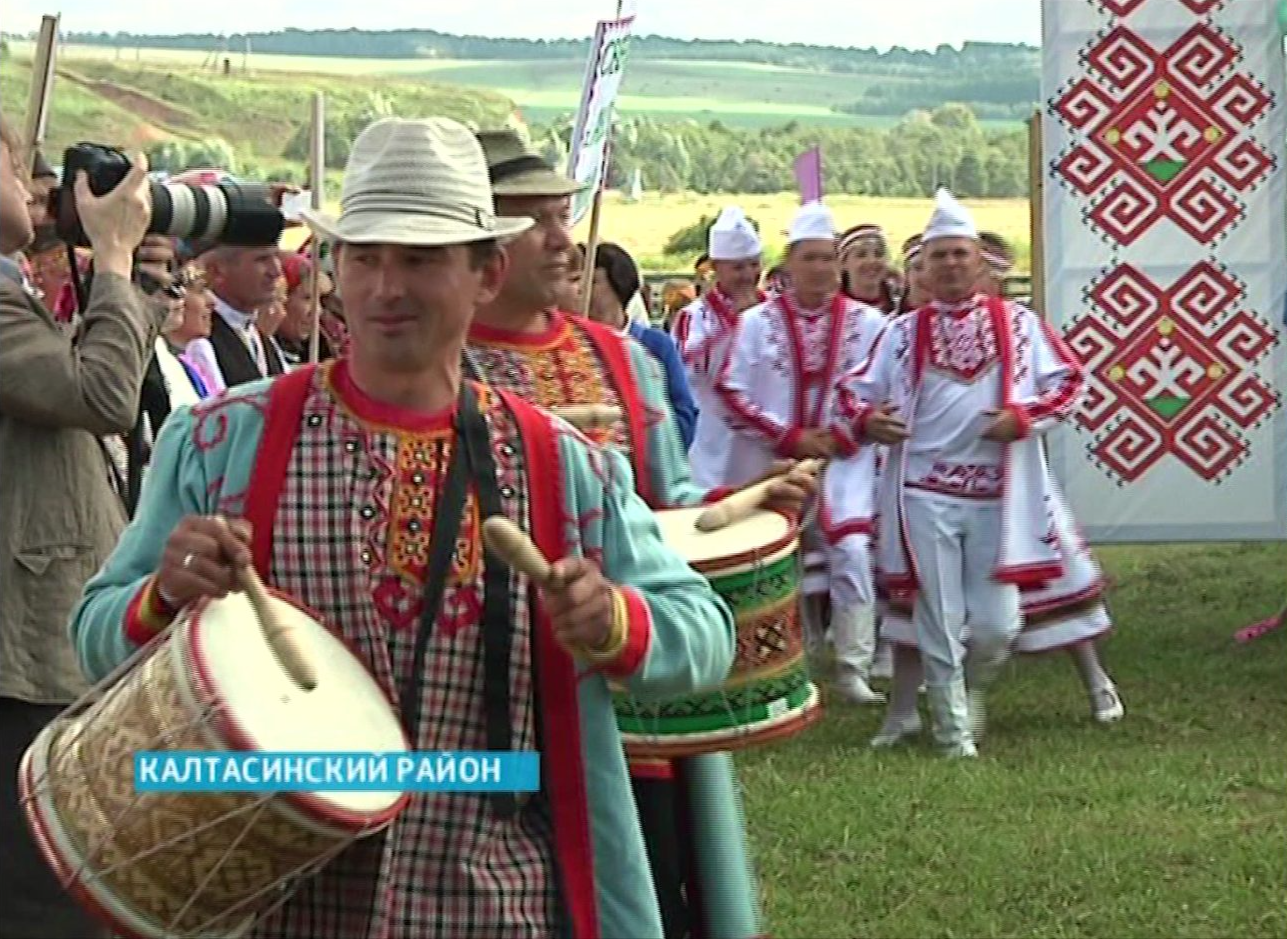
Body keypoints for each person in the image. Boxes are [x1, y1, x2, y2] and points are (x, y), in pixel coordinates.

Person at [68, 116, 738, 939]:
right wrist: (165, 592)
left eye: (419, 260)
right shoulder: (219, 442)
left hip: (498, 903)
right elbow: (95, 636)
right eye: (365, 256)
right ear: (334, 267)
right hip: (269, 899)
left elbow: (705, 632)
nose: (387, 286)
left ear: (486, 272)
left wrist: (614, 621)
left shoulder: (564, 466)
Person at [465, 128, 813, 939]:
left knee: (651, 892)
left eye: (564, 215)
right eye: (537, 221)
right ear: (476, 248)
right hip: (495, 697)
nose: (563, 241)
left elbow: (674, 508)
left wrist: (750, 508)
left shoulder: (622, 362)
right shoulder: (436, 366)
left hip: (638, 704)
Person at [838, 189, 1089, 757]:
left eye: (960, 254)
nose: (950, 264)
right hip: (924, 491)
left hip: (998, 494)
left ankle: (966, 692)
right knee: (939, 613)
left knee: (1000, 624)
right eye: (939, 255)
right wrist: (870, 420)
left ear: (980, 261)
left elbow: (1070, 384)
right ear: (923, 267)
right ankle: (954, 734)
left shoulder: (1021, 324)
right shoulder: (900, 333)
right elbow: (851, 391)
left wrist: (1022, 419)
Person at [0, 113, 170, 939]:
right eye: (12, 162)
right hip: (18, 660)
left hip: (35, 649)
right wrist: (112, 257)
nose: (35, 182)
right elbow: (104, 395)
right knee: (43, 901)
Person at [717, 200, 890, 706]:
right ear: (788, 264)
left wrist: (847, 431)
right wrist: (790, 436)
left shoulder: (870, 324)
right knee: (774, 560)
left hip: (847, 461)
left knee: (853, 551)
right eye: (808, 258)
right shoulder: (754, 325)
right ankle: (787, 661)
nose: (819, 268)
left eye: (826, 258)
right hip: (772, 462)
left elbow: (882, 391)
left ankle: (853, 665)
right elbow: (732, 390)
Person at [674, 206, 766, 488]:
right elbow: (693, 370)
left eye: (754, 264)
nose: (748, 275)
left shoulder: (775, 310)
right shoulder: (694, 316)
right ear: (716, 268)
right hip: (713, 439)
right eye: (738, 267)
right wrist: (737, 326)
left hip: (765, 437)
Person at [587, 241, 699, 449]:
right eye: (575, 280)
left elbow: (683, 413)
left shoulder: (655, 345)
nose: (581, 290)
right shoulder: (577, 346)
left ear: (618, 283)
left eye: (592, 282)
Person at [183, 242, 285, 394]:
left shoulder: (261, 335)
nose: (276, 271)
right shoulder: (200, 335)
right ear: (216, 271)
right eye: (261, 259)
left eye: (276, 257)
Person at [838, 223, 900, 313]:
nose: (871, 261)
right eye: (861, 255)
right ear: (843, 263)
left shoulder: (900, 305)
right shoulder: (831, 310)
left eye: (878, 254)